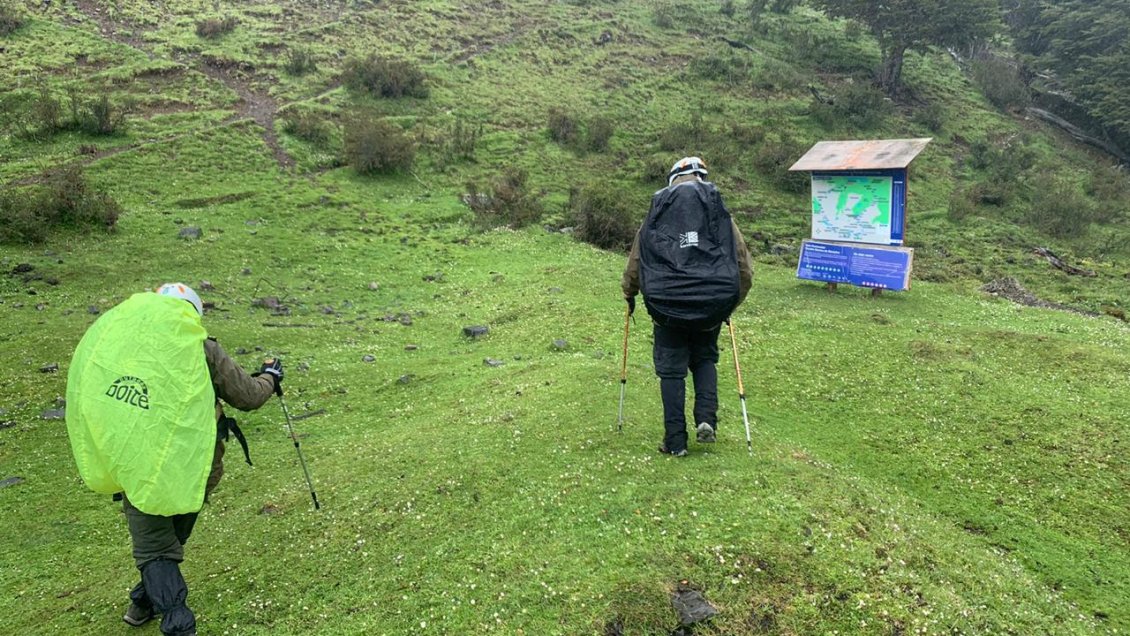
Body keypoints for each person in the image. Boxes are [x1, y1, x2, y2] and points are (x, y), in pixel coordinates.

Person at [66, 283, 283, 636]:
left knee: (156, 545)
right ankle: (168, 616)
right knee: (162, 545)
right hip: (194, 465)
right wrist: (270, 378)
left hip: (133, 458)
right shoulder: (201, 345)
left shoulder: (118, 344)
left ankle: (148, 603)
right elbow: (247, 396)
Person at [621, 157, 753, 457]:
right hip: (710, 306)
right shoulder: (720, 217)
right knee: (704, 359)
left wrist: (629, 293)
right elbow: (743, 268)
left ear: (671, 181)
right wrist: (728, 304)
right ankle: (707, 420)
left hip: (667, 308)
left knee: (671, 371)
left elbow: (637, 263)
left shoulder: (656, 216)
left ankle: (675, 442)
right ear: (702, 177)